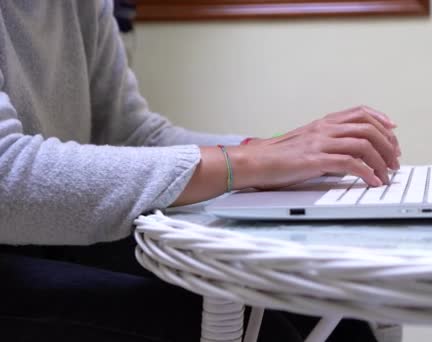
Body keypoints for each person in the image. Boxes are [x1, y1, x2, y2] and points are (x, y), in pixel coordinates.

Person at [0, 1, 400, 341]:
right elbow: (8, 178)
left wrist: (275, 154)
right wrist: (248, 163)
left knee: (323, 310)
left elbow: (129, 133)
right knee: (259, 330)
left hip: (53, 236)